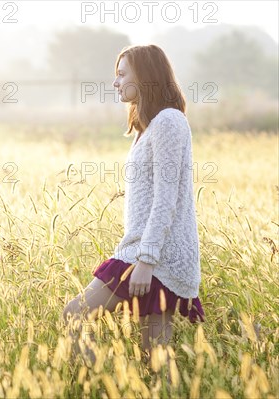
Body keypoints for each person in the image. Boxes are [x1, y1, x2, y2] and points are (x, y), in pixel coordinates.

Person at [61, 44, 205, 366]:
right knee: (155, 356)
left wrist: (146, 260)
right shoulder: (151, 126)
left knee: (75, 313)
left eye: (122, 74)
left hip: (154, 255)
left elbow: (166, 198)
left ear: (145, 76)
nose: (116, 82)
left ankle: (94, 381)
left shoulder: (169, 121)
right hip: (147, 252)